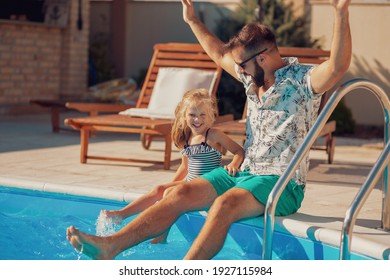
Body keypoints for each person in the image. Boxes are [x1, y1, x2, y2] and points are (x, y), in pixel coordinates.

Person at [66, 0, 352, 260]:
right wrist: (192, 20)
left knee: (224, 205)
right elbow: (218, 54)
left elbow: (338, 66)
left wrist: (340, 12)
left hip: (281, 183)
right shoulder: (253, 79)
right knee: (176, 194)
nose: (237, 70)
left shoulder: (302, 81)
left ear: (262, 58)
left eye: (242, 64)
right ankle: (110, 246)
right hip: (243, 173)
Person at [99, 88, 244, 243]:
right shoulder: (186, 138)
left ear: (210, 116)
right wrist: (170, 185)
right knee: (160, 190)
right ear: (184, 115)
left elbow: (239, 151)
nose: (197, 119)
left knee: (168, 194)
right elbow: (185, 167)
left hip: (206, 185)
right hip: (189, 182)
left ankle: (161, 235)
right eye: (192, 115)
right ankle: (121, 215)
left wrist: (234, 164)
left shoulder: (213, 135)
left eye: (202, 115)